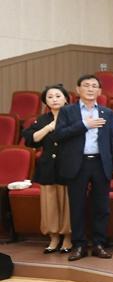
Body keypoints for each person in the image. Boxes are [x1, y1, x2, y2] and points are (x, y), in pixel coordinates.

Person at [54, 74, 113, 261]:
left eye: (94, 86)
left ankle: (99, 244)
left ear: (100, 91)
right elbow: (59, 135)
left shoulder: (107, 113)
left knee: (102, 206)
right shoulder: (68, 111)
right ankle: (79, 245)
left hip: (101, 163)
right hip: (78, 164)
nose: (91, 89)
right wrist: (85, 125)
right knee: (77, 206)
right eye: (86, 85)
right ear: (78, 90)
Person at [21, 84, 72, 254]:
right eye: (50, 97)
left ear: (66, 98)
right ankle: (54, 237)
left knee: (67, 203)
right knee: (49, 204)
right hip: (47, 168)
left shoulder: (74, 117)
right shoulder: (42, 120)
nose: (54, 99)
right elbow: (31, 139)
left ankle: (68, 238)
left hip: (68, 167)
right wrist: (49, 127)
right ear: (45, 101)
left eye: (58, 96)